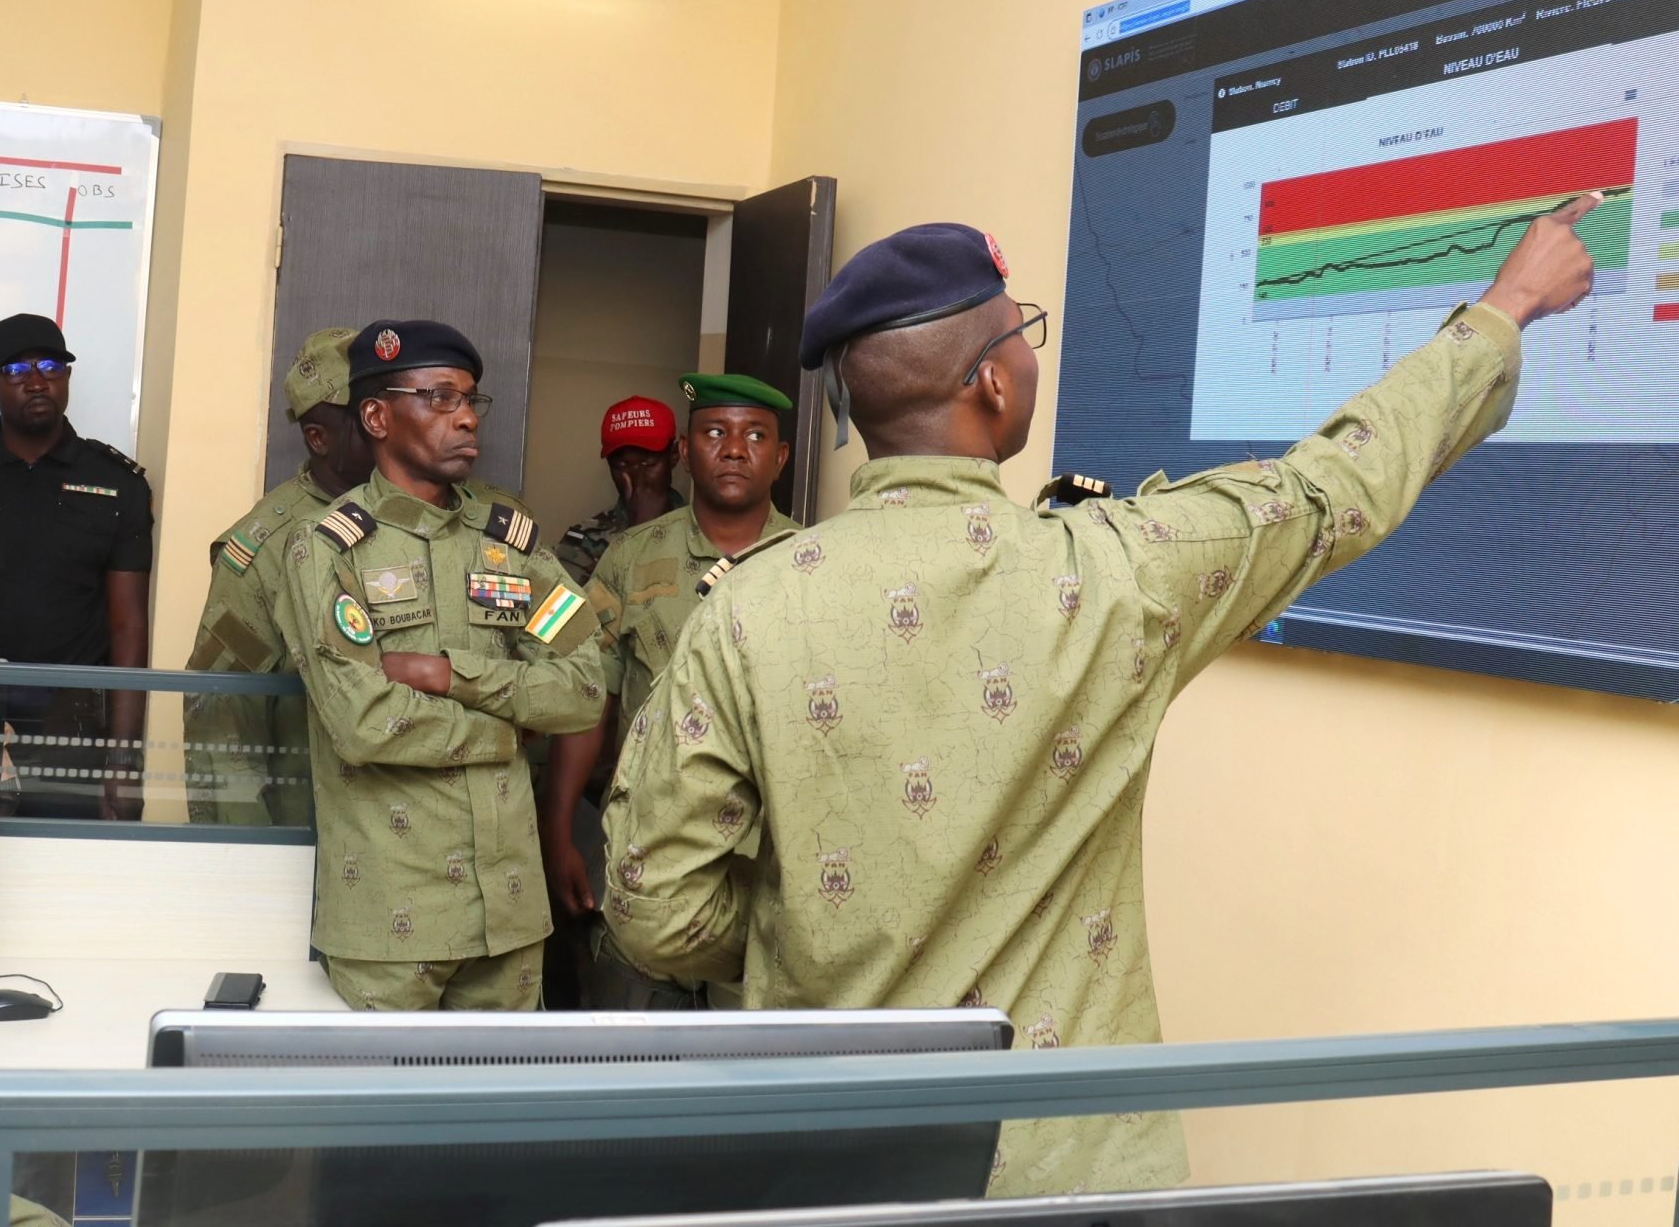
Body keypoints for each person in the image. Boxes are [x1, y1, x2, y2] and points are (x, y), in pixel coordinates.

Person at [598, 206, 1602, 1195]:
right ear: (990, 382)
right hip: (1071, 1172)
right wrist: (1505, 305)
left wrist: (812, 928)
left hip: (832, 1161)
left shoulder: (750, 606)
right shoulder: (1121, 571)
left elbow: (655, 911)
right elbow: (1331, 487)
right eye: (1023, 332)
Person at [272, 319, 611, 1010]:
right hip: (393, 918)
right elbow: (364, 722)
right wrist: (511, 732)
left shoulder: (511, 547)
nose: (463, 418)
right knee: (382, 1119)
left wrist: (452, 676)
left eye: (469, 400)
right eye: (437, 398)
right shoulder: (325, 550)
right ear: (375, 416)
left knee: (498, 1117)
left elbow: (581, 689)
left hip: (511, 913)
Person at [183, 326, 532, 826]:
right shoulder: (270, 548)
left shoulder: (484, 520)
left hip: (477, 825)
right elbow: (223, 721)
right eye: (364, 412)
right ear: (318, 437)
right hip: (328, 831)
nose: (384, 421)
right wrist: (243, 858)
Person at [542, 372, 802, 1009]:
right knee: (627, 1061)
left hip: (770, 867)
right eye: (715, 433)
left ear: (781, 457)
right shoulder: (628, 559)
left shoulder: (812, 562)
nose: (735, 449)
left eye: (754, 436)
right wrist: (557, 831)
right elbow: (586, 699)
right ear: (686, 452)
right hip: (642, 857)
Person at [0, 314, 152, 818]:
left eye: (50, 365)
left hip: (73, 725)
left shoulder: (117, 484)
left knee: (63, 879)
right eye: (16, 368)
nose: (37, 380)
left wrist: (125, 758)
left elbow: (128, 625)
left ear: (67, 377)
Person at [551, 395, 682, 584]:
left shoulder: (703, 531)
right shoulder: (584, 541)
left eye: (649, 464)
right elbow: (571, 611)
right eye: (622, 465)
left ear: (674, 456)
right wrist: (638, 532)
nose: (638, 478)